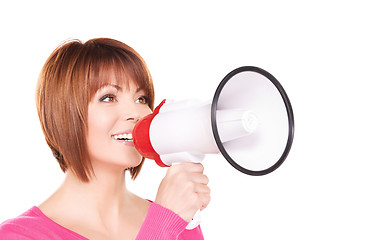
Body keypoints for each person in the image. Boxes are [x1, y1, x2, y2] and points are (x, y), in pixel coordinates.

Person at [0, 38, 211, 239]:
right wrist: (163, 224)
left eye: (141, 98)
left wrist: (175, 220)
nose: (136, 113)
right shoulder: (19, 235)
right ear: (64, 114)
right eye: (108, 97)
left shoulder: (178, 217)